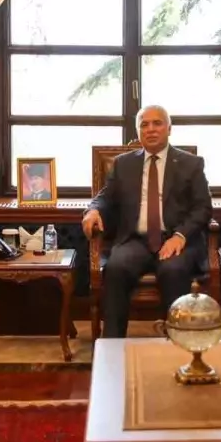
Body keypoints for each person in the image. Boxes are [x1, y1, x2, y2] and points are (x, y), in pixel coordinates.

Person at [82, 105, 212, 338]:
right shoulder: (123, 164)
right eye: (144, 125)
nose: (151, 129)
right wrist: (93, 211)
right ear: (138, 131)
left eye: (157, 123)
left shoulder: (191, 164)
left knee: (173, 270)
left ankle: (179, 342)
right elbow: (105, 197)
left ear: (169, 128)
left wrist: (180, 236)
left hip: (175, 240)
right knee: (116, 268)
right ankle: (112, 345)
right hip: (135, 240)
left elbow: (203, 208)